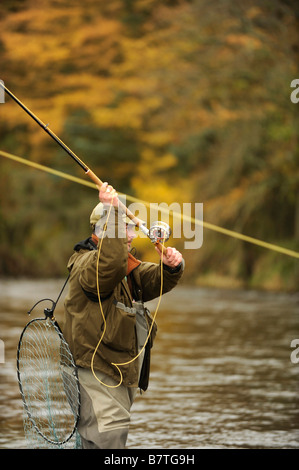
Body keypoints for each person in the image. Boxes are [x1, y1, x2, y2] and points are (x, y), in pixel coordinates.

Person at [63, 182, 184, 449]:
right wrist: (111, 210)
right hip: (96, 369)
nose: (131, 234)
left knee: (105, 442)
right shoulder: (87, 263)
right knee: (107, 442)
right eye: (126, 227)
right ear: (102, 229)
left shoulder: (125, 265)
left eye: (128, 227)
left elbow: (150, 280)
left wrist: (171, 268)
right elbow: (109, 264)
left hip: (117, 370)